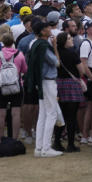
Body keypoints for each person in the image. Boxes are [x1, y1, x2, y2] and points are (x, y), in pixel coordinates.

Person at [25, 22, 63, 158]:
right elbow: (56, 62)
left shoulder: (35, 44)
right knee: (51, 113)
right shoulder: (44, 45)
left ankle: (39, 147)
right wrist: (55, 47)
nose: (49, 29)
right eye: (47, 27)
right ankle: (46, 148)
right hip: (47, 81)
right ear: (41, 31)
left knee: (43, 114)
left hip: (40, 81)